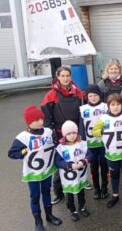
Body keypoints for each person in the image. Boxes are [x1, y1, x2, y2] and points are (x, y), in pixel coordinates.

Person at [8, 105, 62, 231]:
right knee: (35, 196)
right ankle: (38, 221)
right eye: (36, 120)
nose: (40, 122)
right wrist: (24, 151)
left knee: (47, 192)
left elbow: (54, 144)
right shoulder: (23, 137)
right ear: (28, 121)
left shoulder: (48, 132)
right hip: (32, 173)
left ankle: (49, 215)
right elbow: (11, 153)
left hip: (47, 170)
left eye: (41, 119)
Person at [41, 66, 84, 205]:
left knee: (78, 158)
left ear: (71, 77)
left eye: (68, 75)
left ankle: (81, 183)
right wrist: (51, 134)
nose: (65, 78)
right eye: (63, 76)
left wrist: (81, 134)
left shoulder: (78, 92)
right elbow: (47, 118)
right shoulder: (51, 95)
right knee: (61, 163)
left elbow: (82, 116)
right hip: (60, 135)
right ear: (58, 77)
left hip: (75, 134)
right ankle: (59, 192)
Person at [92, 94, 122, 208]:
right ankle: (115, 195)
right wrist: (102, 132)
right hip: (111, 154)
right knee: (114, 175)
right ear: (108, 106)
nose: (115, 107)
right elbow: (94, 130)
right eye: (112, 105)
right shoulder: (104, 118)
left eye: (118, 104)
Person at [54, 120, 91, 222]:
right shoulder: (60, 147)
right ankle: (72, 211)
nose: (72, 136)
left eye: (74, 133)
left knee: (81, 192)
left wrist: (83, 161)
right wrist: (69, 165)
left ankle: (82, 207)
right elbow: (57, 162)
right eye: (69, 134)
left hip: (80, 175)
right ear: (64, 135)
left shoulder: (82, 144)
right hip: (68, 178)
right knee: (69, 194)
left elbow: (90, 155)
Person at [79, 84, 109, 199]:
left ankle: (105, 187)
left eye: (95, 95)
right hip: (90, 144)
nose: (93, 98)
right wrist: (83, 141)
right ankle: (96, 188)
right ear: (87, 97)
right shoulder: (83, 109)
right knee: (94, 167)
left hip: (103, 143)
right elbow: (81, 127)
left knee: (104, 166)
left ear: (99, 95)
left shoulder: (105, 107)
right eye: (90, 96)